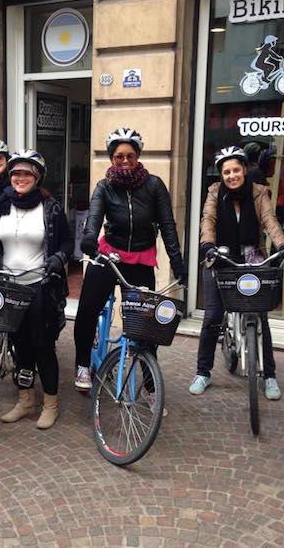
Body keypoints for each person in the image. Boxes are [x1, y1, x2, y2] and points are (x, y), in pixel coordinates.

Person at [74, 127, 186, 391]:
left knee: (144, 324)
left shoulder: (154, 185)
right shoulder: (104, 187)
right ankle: (82, 365)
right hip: (109, 256)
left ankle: (149, 384)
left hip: (140, 260)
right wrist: (89, 240)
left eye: (130, 156)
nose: (125, 161)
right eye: (119, 156)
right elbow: (94, 218)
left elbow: (168, 225)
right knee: (87, 309)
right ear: (112, 158)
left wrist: (177, 262)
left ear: (138, 157)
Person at [0, 149, 72, 429]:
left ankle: (50, 403)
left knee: (42, 347)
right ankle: (25, 400)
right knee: (19, 346)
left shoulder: (49, 207)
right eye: (15, 173)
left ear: (37, 177)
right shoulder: (1, 203)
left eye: (26, 173)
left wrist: (57, 259)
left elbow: (66, 243)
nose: (20, 178)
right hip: (8, 287)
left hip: (38, 286)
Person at [190, 146, 284, 398]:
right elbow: (208, 220)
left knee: (260, 317)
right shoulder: (214, 192)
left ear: (244, 170)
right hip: (220, 257)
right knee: (212, 316)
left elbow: (270, 220)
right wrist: (207, 245)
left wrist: (281, 244)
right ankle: (203, 372)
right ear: (221, 174)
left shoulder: (259, 193)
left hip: (251, 258)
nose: (232, 175)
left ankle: (269, 376)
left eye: (236, 170)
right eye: (226, 172)